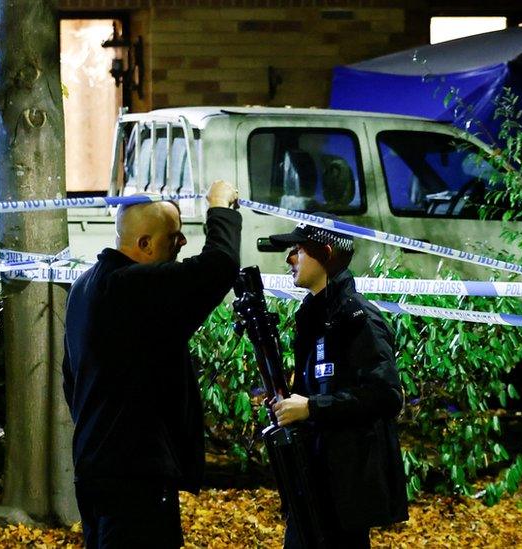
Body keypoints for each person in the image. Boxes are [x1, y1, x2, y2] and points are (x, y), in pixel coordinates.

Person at [62, 180, 241, 548]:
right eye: (174, 237)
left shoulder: (83, 289)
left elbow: (71, 380)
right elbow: (218, 267)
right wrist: (220, 208)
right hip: (135, 477)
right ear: (144, 244)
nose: (182, 244)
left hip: (94, 468)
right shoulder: (133, 287)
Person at [267, 217, 408, 548]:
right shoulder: (314, 314)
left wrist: (312, 408)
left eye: (298, 250)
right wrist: (290, 404)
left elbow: (386, 394)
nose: (289, 259)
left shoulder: (358, 317)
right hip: (313, 478)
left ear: (326, 254)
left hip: (345, 490)